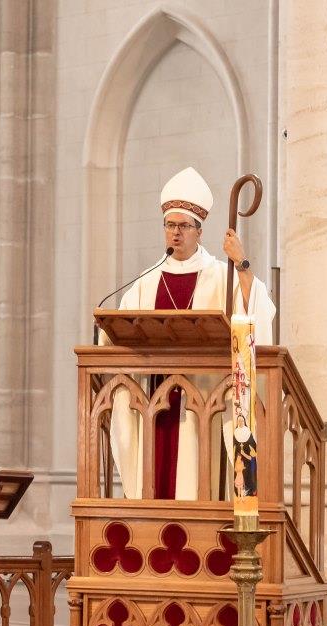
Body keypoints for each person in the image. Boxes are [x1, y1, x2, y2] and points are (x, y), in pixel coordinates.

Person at [106, 167, 277, 500]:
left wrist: (240, 263)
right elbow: (116, 334)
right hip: (153, 397)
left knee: (191, 479)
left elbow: (256, 313)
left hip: (199, 400)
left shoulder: (218, 275)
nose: (175, 233)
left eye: (184, 226)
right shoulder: (145, 282)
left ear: (199, 231)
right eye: (170, 225)